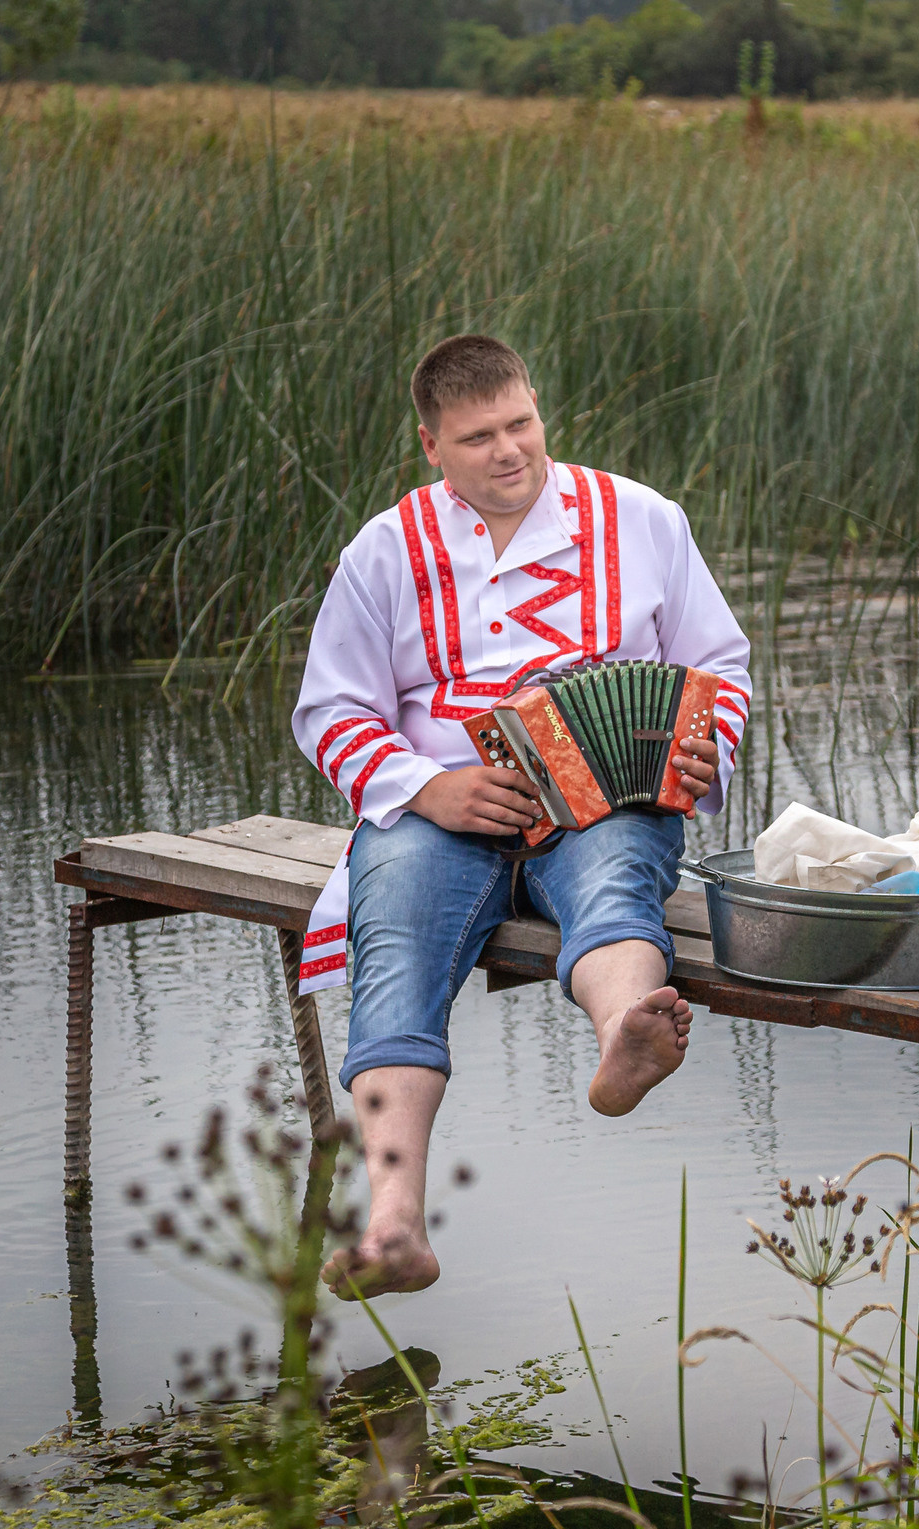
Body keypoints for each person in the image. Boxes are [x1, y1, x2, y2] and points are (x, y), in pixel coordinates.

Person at [291, 334, 753, 1297]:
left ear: (538, 407)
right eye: (477, 438)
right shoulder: (385, 550)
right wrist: (427, 788)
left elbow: (722, 666)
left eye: (521, 424)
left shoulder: (642, 519)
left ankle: (627, 1033)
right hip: (439, 806)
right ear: (432, 445)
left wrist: (708, 743)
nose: (509, 451)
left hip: (601, 799)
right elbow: (329, 711)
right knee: (399, 927)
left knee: (619, 868)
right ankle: (393, 1225)